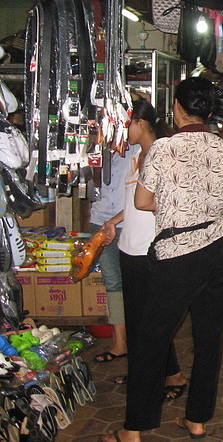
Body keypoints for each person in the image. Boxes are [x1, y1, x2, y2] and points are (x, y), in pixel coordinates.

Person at [102, 78, 223, 442]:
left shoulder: (164, 149)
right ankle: (196, 420)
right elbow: (222, 194)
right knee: (209, 339)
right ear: (208, 111)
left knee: (149, 340)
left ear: (177, 108)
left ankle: (134, 429)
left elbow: (142, 202)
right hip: (222, 247)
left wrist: (178, 203)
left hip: (180, 253)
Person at [100, 100, 187, 398]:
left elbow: (173, 202)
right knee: (139, 321)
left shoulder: (164, 155)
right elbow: (132, 201)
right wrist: (113, 221)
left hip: (151, 250)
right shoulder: (137, 153)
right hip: (129, 246)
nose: (123, 131)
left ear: (141, 122)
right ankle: (145, 373)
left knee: (152, 322)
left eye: (126, 125)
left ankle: (170, 377)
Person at [90, 150, 133, 364]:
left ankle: (139, 341)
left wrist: (115, 222)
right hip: (101, 218)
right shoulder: (102, 146)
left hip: (130, 223)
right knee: (113, 283)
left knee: (136, 283)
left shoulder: (140, 147)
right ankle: (120, 343)